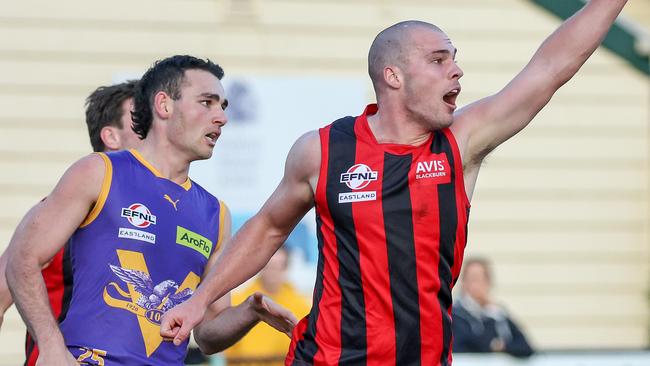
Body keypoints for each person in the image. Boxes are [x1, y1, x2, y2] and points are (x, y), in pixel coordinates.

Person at [160, 1, 629, 365]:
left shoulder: (459, 143)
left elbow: (549, 69)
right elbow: (266, 229)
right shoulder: (323, 151)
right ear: (394, 76)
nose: (457, 70)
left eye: (455, 59)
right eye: (439, 59)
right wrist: (201, 300)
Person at [5, 55, 296, 365]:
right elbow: (22, 258)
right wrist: (50, 346)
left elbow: (208, 335)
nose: (221, 118)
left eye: (223, 107)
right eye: (207, 102)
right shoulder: (98, 172)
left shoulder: (215, 214)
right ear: (164, 105)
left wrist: (249, 311)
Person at [0, 79, 142, 365]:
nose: (152, 130)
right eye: (140, 121)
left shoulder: (176, 214)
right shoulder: (62, 213)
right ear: (111, 137)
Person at [224, 245, 310, 365]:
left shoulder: (301, 305)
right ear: (261, 267)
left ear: (285, 268)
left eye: (277, 267)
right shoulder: (238, 302)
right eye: (269, 267)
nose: (272, 273)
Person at [452, 257, 534, 358]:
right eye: (473, 278)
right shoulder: (455, 314)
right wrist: (493, 344)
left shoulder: (497, 314)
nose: (477, 284)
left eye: (482, 279)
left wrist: (502, 347)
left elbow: (525, 348)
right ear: (463, 283)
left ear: (489, 283)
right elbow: (465, 345)